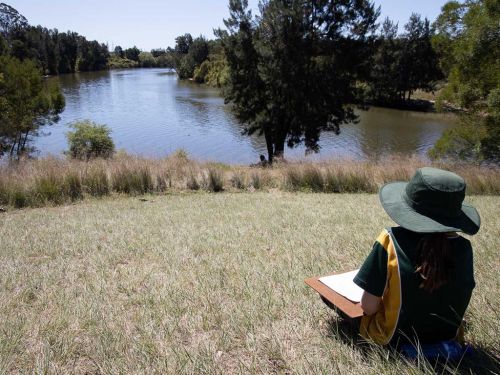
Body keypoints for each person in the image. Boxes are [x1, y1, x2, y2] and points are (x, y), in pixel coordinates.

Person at [352, 167, 480, 346]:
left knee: (331, 298)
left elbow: (368, 306)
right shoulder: (465, 249)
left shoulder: (390, 240)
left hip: (392, 340)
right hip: (447, 339)